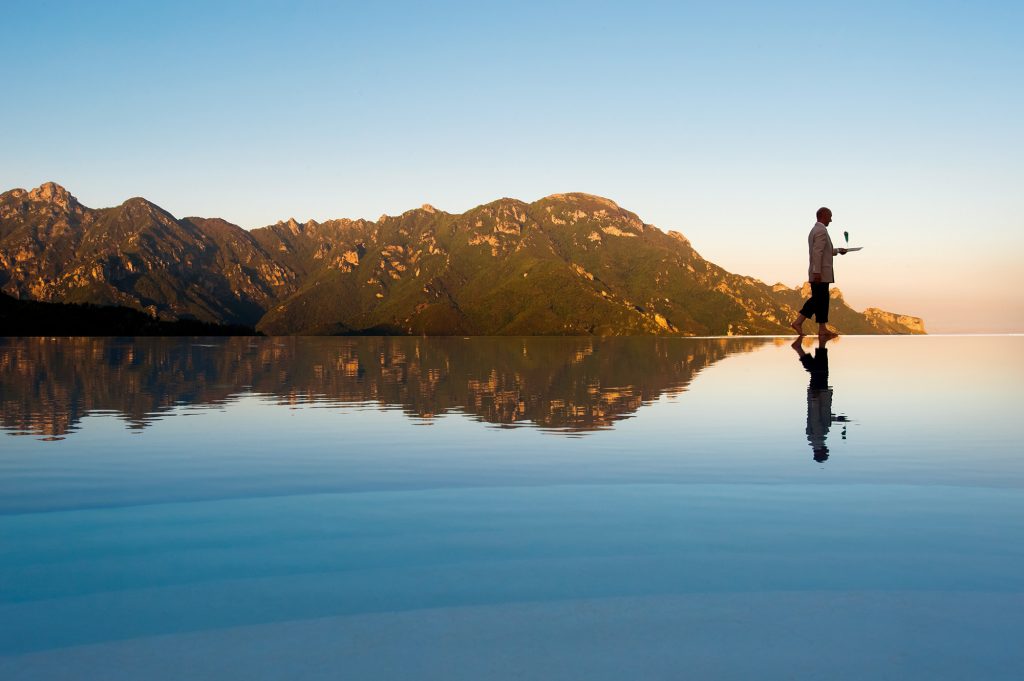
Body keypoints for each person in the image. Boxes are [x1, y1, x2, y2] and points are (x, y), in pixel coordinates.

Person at [791, 207, 847, 337]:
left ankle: (822, 328)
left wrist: (838, 250)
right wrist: (817, 272)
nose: (831, 220)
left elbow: (824, 250)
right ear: (823, 215)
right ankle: (798, 322)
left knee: (822, 300)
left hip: (819, 272)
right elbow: (817, 252)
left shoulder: (815, 230)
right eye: (830, 216)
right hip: (820, 273)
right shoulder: (821, 230)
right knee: (818, 299)